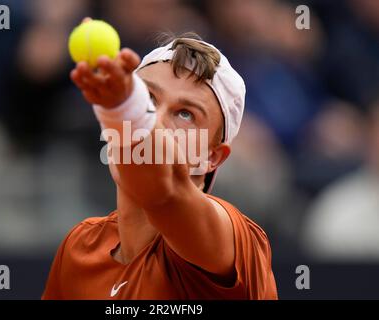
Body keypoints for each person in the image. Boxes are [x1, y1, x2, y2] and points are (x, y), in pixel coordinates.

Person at [42, 19, 277, 299]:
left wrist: (125, 108)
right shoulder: (78, 248)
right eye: (148, 99)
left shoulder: (231, 241)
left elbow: (163, 192)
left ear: (212, 157)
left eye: (185, 114)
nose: (158, 122)